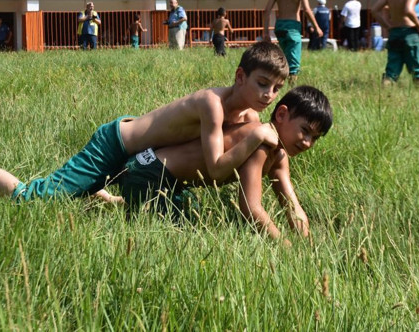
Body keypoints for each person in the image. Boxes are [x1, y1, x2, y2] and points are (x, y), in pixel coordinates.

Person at [0, 42, 290, 205]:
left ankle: (102, 195)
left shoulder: (249, 116)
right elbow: (217, 166)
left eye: (276, 88)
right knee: (33, 200)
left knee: (174, 206)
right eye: (261, 84)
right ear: (240, 76)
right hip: (116, 145)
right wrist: (257, 136)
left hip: (146, 164)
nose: (268, 95)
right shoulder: (213, 104)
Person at [115, 85, 332, 241]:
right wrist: (286, 248)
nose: (307, 142)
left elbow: (292, 205)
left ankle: (119, 199)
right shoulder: (261, 144)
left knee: (190, 209)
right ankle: (124, 197)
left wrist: (306, 243)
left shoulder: (280, 154)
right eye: (305, 131)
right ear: (282, 114)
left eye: (315, 138)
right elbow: (251, 207)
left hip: (165, 180)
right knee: (186, 234)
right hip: (147, 174)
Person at [264, 0, 323, 84]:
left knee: (285, 58)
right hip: (292, 27)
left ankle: (279, 82)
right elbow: (306, 9)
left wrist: (266, 33)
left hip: (279, 27)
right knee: (294, 64)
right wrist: (316, 27)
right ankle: (291, 88)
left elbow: (267, 10)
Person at [371, 0, 419, 87]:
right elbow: (408, 10)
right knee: (418, 70)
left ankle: (384, 94)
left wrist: (387, 25)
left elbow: (374, 10)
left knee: (391, 72)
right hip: (409, 34)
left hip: (394, 33)